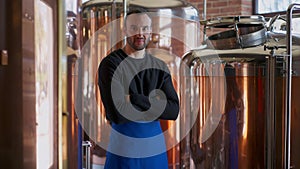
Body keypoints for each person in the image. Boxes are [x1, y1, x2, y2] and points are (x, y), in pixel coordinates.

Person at [97, 8, 179, 169]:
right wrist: (155, 103)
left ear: (150, 31)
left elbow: (173, 110)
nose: (140, 33)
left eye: (145, 28)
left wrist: (133, 98)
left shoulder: (159, 66)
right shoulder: (110, 64)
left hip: (154, 151)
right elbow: (117, 113)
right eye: (134, 28)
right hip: (123, 150)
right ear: (125, 31)